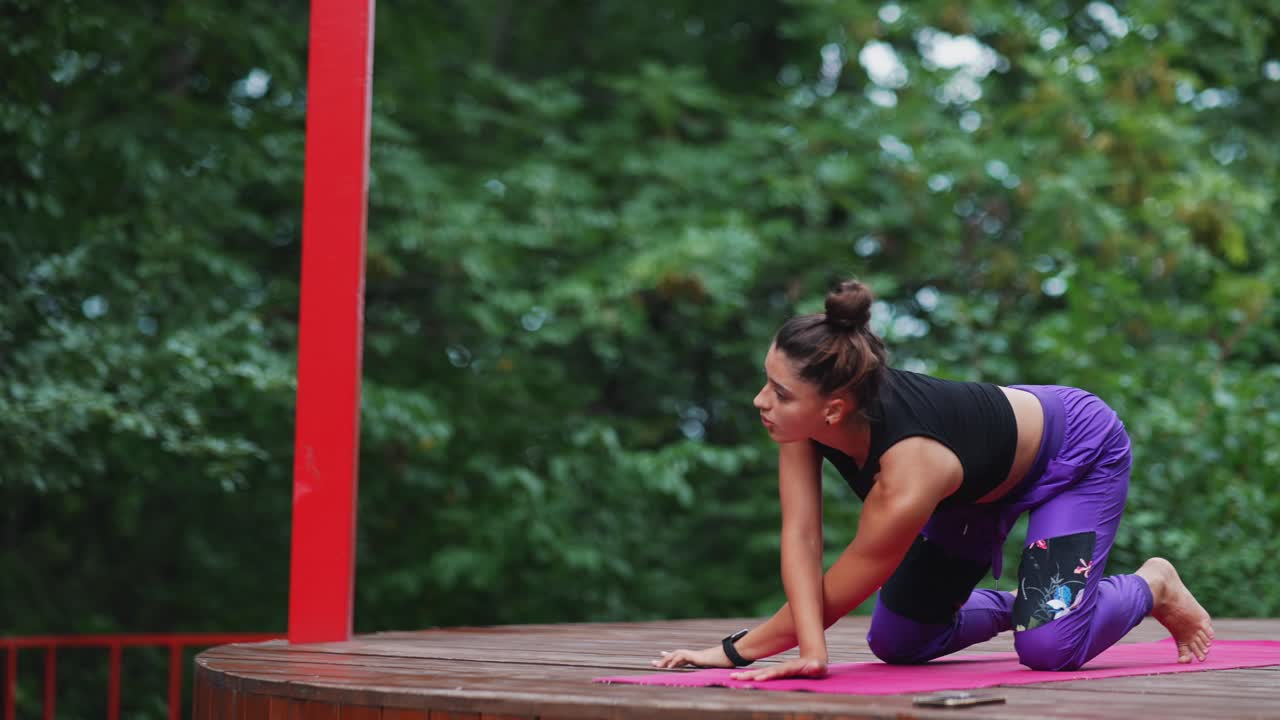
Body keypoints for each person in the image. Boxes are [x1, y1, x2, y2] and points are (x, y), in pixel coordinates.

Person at [652, 279, 1214, 681]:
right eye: (766, 382)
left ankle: (1151, 585)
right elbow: (802, 536)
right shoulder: (803, 425)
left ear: (834, 409)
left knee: (1048, 648)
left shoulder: (908, 470)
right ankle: (1040, 601)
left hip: (1072, 453)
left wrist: (735, 651)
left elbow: (849, 580)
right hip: (970, 490)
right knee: (898, 641)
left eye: (780, 393)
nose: (760, 401)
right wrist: (811, 652)